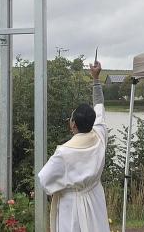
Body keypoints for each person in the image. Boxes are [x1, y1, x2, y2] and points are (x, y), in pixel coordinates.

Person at [37, 61, 109, 232]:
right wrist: (96, 79)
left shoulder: (64, 152)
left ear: (73, 125)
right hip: (95, 197)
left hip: (73, 206)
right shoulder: (100, 134)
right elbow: (99, 106)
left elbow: (44, 180)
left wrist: (61, 186)